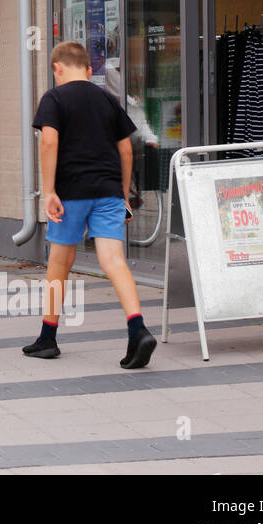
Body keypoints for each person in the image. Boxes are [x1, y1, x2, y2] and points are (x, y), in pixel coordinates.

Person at [24, 40, 156, 369]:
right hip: (109, 190)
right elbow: (126, 149)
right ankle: (138, 328)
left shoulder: (53, 98)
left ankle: (48, 337)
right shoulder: (108, 100)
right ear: (88, 69)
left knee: (59, 262)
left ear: (57, 68)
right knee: (114, 260)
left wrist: (49, 190)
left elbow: (50, 141)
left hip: (70, 193)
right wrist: (123, 195)